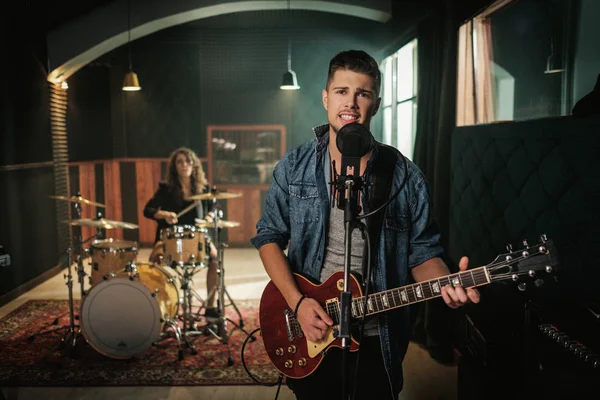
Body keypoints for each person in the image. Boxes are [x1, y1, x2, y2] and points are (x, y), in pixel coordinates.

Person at [250, 50, 480, 400]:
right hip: (310, 325)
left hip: (377, 335)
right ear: (326, 97)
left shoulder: (405, 176)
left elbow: (423, 254)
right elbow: (268, 237)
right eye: (342, 91)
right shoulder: (293, 167)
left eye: (363, 93)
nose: (351, 103)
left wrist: (446, 285)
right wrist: (297, 303)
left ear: (376, 103)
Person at [143, 147, 219, 321]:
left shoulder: (204, 189)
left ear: (194, 165)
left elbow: (215, 209)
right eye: (180, 162)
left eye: (187, 161)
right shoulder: (166, 189)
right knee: (154, 261)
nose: (184, 165)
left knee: (215, 258)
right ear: (174, 166)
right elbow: (148, 210)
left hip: (198, 237)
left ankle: (210, 307)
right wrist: (164, 215)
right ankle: (161, 307)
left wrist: (210, 216)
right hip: (170, 237)